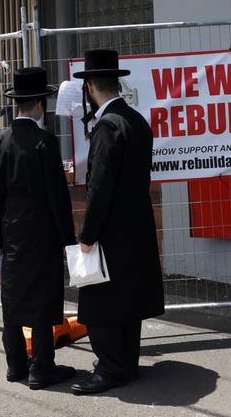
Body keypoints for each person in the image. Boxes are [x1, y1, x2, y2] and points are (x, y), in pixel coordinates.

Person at [70, 49, 165, 395]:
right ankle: (127, 364)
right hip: (137, 224)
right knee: (129, 298)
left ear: (91, 85)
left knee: (101, 302)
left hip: (111, 229)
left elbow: (100, 187)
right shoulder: (137, 120)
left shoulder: (107, 127)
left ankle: (110, 368)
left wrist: (88, 234)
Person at [0, 66, 77, 390]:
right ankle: (42, 368)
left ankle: (15, 365)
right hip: (43, 231)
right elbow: (58, 196)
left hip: (11, 231)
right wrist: (69, 241)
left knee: (12, 297)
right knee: (42, 298)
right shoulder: (45, 142)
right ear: (40, 104)